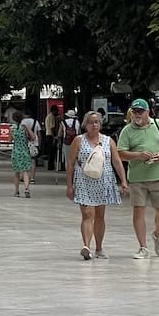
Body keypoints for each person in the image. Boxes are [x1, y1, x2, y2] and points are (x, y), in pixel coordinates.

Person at [116, 98, 159, 258]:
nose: (137, 114)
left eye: (140, 111)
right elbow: (121, 153)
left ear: (147, 112)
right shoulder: (127, 130)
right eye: (134, 111)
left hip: (158, 176)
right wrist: (138, 155)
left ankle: (157, 235)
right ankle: (143, 247)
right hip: (137, 179)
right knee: (138, 212)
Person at [65, 110, 129, 258]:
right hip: (84, 180)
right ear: (85, 125)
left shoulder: (108, 141)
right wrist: (69, 185)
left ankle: (99, 247)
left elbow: (117, 161)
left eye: (96, 122)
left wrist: (124, 181)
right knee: (87, 214)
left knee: (100, 215)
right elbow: (70, 163)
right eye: (90, 122)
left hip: (103, 180)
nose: (94, 125)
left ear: (100, 124)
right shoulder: (79, 140)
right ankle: (86, 246)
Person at [10, 111, 34, 197]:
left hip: (16, 152)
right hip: (25, 151)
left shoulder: (11, 128)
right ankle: (27, 189)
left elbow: (10, 140)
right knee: (25, 172)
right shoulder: (24, 127)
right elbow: (33, 137)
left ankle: (16, 192)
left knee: (16, 173)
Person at [22, 112, 41, 181]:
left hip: (25, 143)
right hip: (34, 143)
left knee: (24, 161)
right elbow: (39, 133)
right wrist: (39, 143)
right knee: (33, 161)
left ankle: (24, 177)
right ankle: (32, 177)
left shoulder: (23, 122)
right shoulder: (36, 122)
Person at [45, 105, 60, 170]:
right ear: (54, 110)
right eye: (56, 111)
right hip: (50, 135)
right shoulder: (51, 117)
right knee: (52, 151)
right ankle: (50, 166)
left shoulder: (49, 116)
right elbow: (52, 128)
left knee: (51, 151)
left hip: (48, 134)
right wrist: (54, 137)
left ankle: (50, 165)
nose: (57, 112)